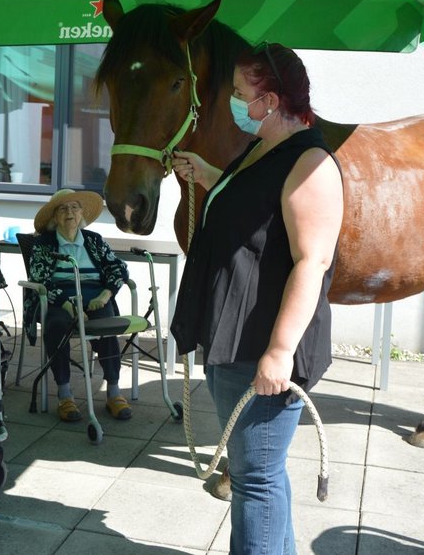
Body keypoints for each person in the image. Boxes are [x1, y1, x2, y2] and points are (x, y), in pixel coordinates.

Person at [170, 43, 344, 554]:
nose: (233, 101)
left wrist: (280, 352)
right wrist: (207, 174)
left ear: (269, 101)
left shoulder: (311, 163)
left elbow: (312, 262)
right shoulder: (261, 149)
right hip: (235, 341)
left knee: (256, 480)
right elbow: (252, 204)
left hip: (261, 348)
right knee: (261, 472)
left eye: (239, 92)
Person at [24, 189, 133, 422]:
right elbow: (40, 279)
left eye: (74, 207)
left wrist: (105, 295)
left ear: (82, 213)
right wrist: (69, 306)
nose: (69, 212)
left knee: (107, 327)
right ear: (54, 217)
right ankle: (65, 394)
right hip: (58, 298)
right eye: (63, 208)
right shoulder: (44, 243)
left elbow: (118, 268)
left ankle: (113, 392)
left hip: (95, 296)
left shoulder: (94, 240)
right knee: (56, 326)